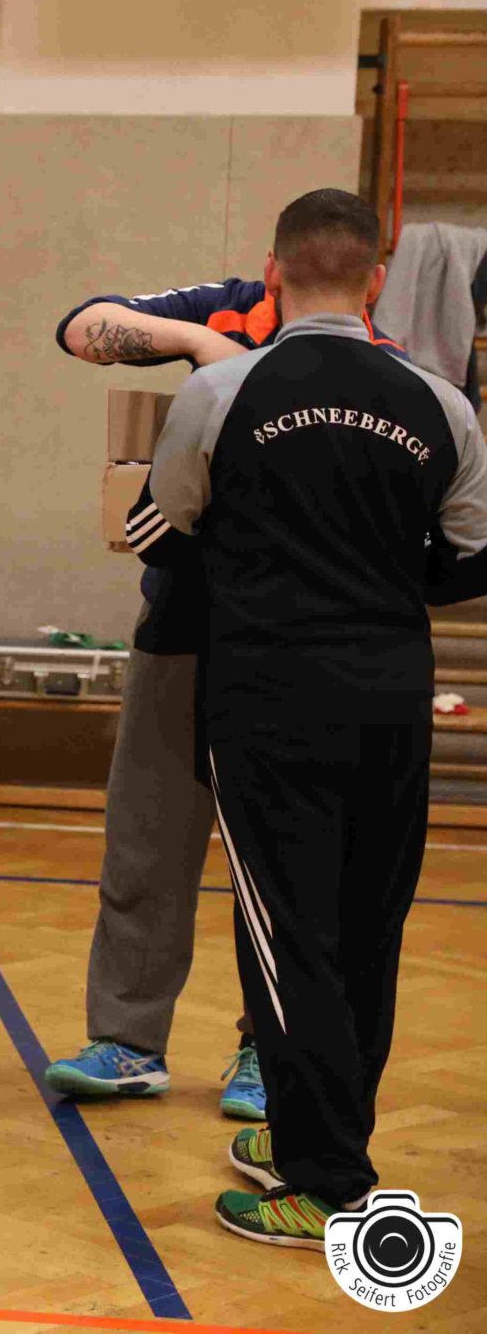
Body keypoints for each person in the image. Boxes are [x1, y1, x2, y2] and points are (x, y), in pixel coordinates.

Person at [141, 188, 484, 1244]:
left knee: (289, 934)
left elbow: (165, 525)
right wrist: (378, 570)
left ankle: (325, 1179)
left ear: (272, 272)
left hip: (266, 698)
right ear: (375, 278)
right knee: (366, 928)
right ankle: (319, 1131)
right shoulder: (441, 402)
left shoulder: (222, 389)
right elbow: (470, 556)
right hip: (392, 697)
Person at [33, 260, 402, 1114]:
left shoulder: (385, 369)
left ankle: (267, 1050)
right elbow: (79, 326)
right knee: (146, 840)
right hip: (180, 630)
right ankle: (127, 1039)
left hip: (295, 651)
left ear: (375, 281)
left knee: (285, 862)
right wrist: (203, 345)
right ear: (271, 268)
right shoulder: (223, 309)